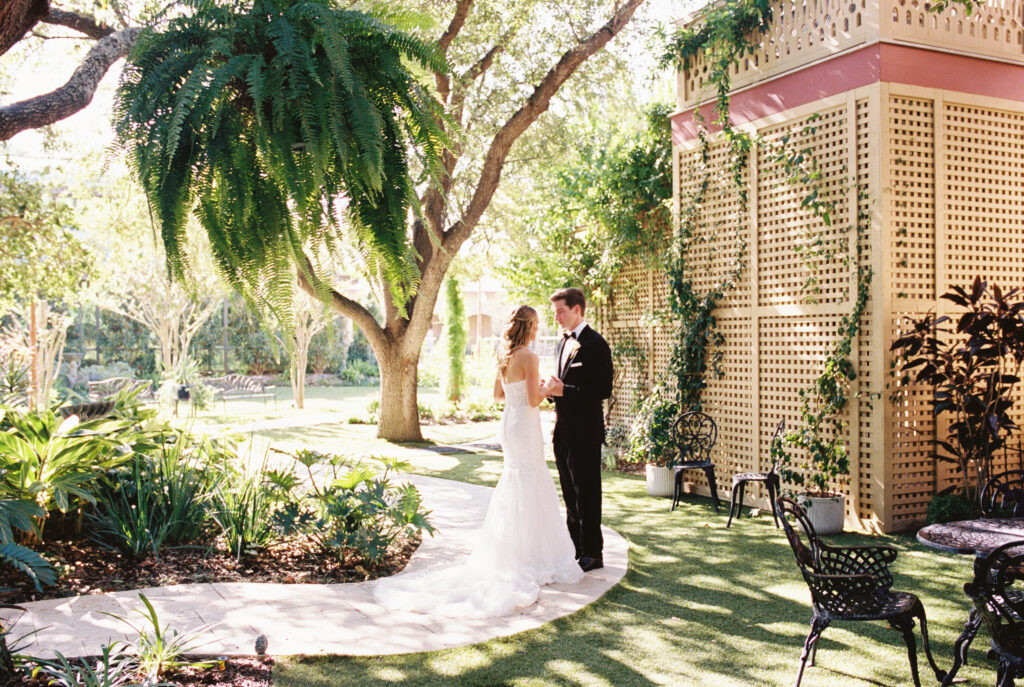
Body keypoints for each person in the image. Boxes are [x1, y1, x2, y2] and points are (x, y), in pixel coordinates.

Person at [372, 305, 582, 617]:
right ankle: (533, 556)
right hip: (524, 423)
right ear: (529, 326)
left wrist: (525, 393)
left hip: (509, 422)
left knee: (516, 479)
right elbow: (535, 400)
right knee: (531, 478)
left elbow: (499, 395)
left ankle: (513, 550)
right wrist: (549, 389)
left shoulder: (506, 356)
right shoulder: (530, 357)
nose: (539, 329)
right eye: (536, 324)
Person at [544, 288, 613, 572]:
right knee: (570, 493)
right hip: (563, 430)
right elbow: (562, 386)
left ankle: (593, 553)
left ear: (577, 309)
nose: (557, 317)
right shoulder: (562, 344)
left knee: (587, 491)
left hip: (585, 431)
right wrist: (550, 391)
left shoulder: (596, 344)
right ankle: (575, 549)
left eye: (561, 311)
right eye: (556, 312)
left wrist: (566, 390)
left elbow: (602, 389)